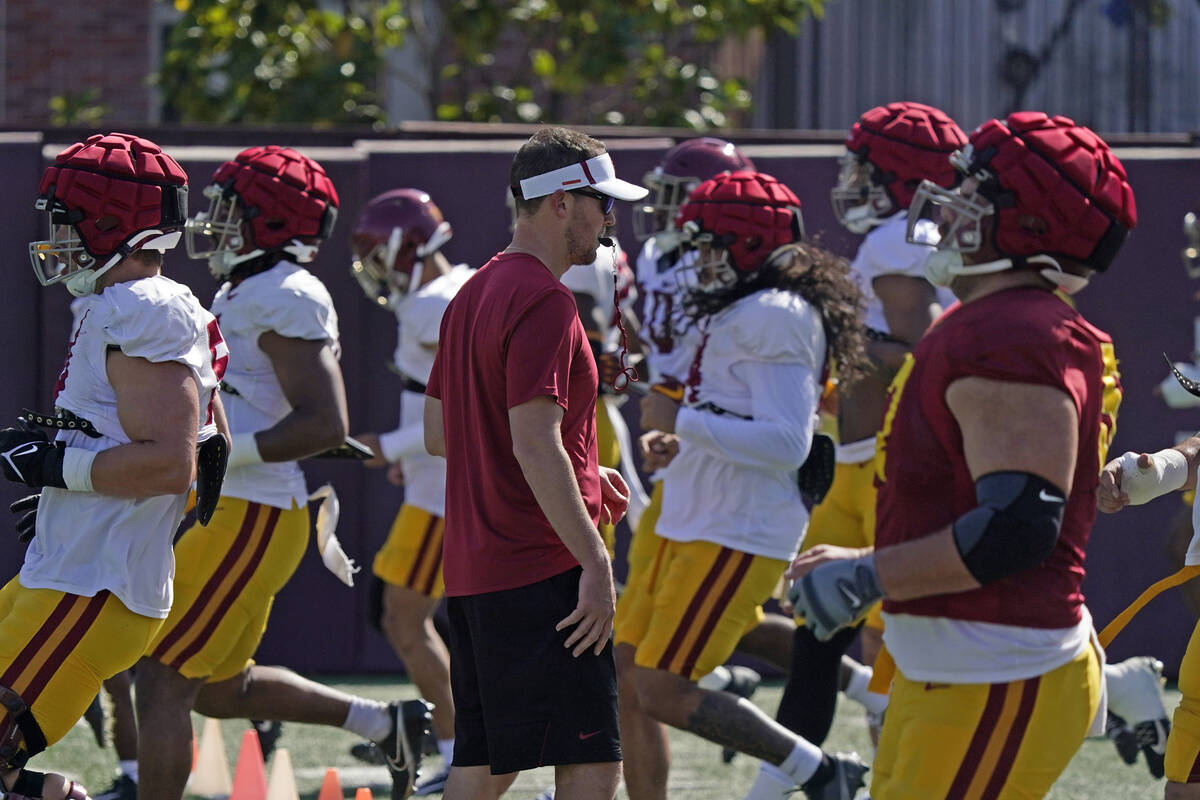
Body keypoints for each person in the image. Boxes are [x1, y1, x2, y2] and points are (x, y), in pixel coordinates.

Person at [788, 111, 1136, 799]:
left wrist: (868, 575)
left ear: (1026, 224)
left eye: (973, 189)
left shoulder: (1011, 332)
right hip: (959, 666)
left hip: (996, 667)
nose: (948, 199)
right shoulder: (990, 322)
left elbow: (1016, 525)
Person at [134, 145, 430, 800]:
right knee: (216, 689)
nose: (216, 219)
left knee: (160, 679)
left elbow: (324, 422)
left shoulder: (285, 293)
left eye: (230, 208)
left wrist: (212, 451)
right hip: (237, 506)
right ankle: (386, 723)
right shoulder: (252, 286)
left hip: (249, 510)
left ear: (268, 220)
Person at [619, 169, 872, 800]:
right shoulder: (746, 305)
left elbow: (786, 442)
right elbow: (740, 418)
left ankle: (819, 771)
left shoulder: (776, 312)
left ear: (750, 245)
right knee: (626, 674)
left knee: (661, 687)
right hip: (696, 512)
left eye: (710, 245)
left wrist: (684, 420)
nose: (699, 260)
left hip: (734, 528)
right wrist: (685, 438)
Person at [746, 102, 966, 799]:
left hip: (886, 467)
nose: (853, 180)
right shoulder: (905, 240)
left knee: (890, 647)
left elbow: (929, 345)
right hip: (855, 462)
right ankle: (780, 785)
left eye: (867, 168)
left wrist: (844, 346)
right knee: (816, 633)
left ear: (902, 177)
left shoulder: (901, 240)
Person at [0, 131, 226, 800]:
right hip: (69, 572)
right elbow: (209, 448)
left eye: (66, 221)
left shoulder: (141, 308)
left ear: (109, 222)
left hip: (91, 587)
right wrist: (70, 490)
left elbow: (171, 465)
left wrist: (59, 470)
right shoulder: (130, 304)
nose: (57, 237)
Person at [423, 126, 641, 800]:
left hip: (478, 570)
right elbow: (532, 440)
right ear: (560, 202)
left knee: (483, 768)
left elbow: (441, 432)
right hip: (540, 566)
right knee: (593, 764)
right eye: (601, 203)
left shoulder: (473, 292)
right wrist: (595, 561)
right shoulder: (545, 299)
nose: (610, 220)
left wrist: (578, 474)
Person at [348, 187, 472, 795]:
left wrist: (393, 447)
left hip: (443, 495)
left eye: (378, 251)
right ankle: (461, 741)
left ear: (408, 245)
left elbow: (468, 412)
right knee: (402, 617)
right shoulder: (445, 294)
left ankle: (458, 751)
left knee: (405, 620)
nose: (373, 266)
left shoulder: (434, 304)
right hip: (435, 483)